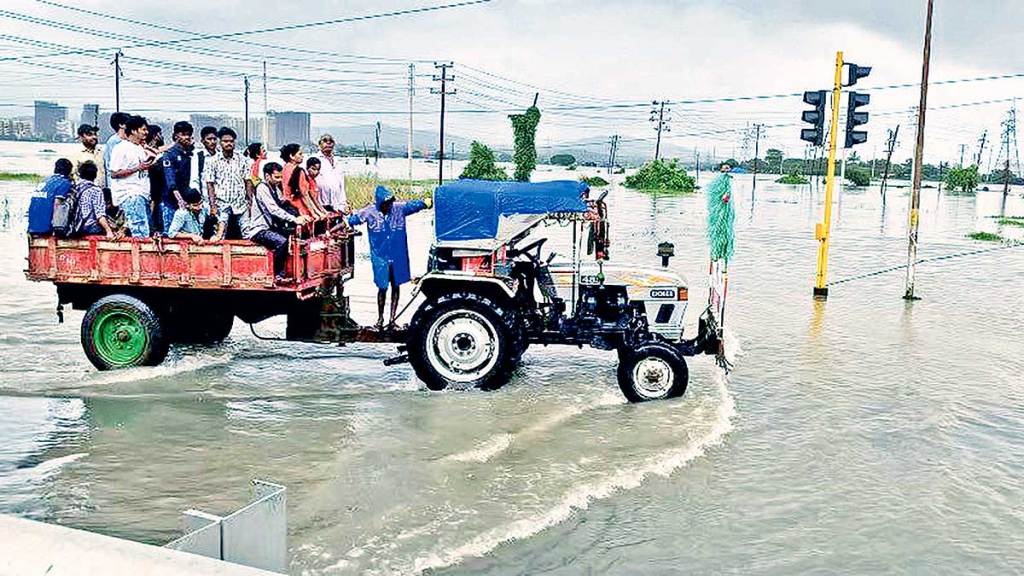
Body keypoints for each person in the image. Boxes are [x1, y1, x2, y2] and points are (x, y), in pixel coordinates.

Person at [347, 186, 431, 329]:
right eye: (386, 203)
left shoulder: (399, 209)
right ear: (380, 203)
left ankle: (392, 319)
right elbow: (353, 220)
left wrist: (427, 203)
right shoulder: (369, 212)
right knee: (382, 287)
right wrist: (347, 217)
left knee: (396, 286)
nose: (389, 206)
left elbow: (413, 205)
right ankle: (380, 319)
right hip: (380, 257)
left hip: (397, 255)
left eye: (391, 202)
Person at [243, 162, 311, 280]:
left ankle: (294, 271)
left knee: (295, 237)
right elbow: (274, 209)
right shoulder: (262, 188)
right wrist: (294, 219)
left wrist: (301, 214)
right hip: (259, 229)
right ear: (267, 176)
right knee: (282, 242)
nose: (279, 180)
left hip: (270, 227)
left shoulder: (274, 188)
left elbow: (283, 202)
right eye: (277, 177)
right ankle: (276, 274)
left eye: (281, 177)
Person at [108, 115, 155, 237]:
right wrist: (137, 168)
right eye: (143, 129)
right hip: (131, 194)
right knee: (139, 231)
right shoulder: (121, 147)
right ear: (134, 131)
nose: (146, 132)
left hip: (143, 194)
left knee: (145, 229)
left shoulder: (140, 148)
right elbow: (114, 173)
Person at [204, 127, 252, 240]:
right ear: (220, 142)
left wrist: (250, 202)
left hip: (241, 202)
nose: (229, 144)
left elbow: (248, 181)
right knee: (220, 234)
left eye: (231, 141)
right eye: (225, 141)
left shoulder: (243, 160)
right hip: (222, 203)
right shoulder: (212, 161)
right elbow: (210, 184)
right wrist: (212, 205)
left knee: (248, 232)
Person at [71, 161, 119, 239]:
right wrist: (109, 231)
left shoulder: (74, 187)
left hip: (74, 227)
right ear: (95, 175)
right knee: (113, 227)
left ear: (80, 174)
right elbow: (99, 214)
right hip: (88, 228)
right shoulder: (95, 190)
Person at [161, 121, 195, 234]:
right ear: (176, 135)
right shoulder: (169, 154)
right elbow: (170, 180)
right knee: (170, 234)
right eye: (184, 134)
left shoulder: (189, 154)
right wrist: (179, 200)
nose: (187, 137)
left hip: (186, 202)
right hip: (170, 202)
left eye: (189, 134)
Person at [26, 159, 74, 235]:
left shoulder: (45, 180)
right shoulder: (64, 183)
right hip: (46, 228)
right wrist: (59, 230)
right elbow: (57, 204)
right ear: (69, 171)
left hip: (32, 227)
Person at [280, 144, 327, 219]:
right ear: (291, 156)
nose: (303, 156)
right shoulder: (299, 171)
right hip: (299, 206)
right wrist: (315, 212)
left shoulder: (284, 169)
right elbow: (304, 194)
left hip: (287, 206)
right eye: (300, 154)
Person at [311, 133, 347, 213]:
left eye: (331, 141)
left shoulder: (338, 161)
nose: (328, 143)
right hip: (320, 203)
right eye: (325, 141)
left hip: (337, 204)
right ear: (319, 144)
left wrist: (344, 203)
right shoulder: (314, 159)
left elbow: (341, 184)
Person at [146, 125, 168, 232]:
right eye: (160, 134)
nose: (162, 137)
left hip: (156, 191)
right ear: (155, 136)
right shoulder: (149, 152)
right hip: (153, 189)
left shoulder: (157, 152)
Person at [189, 125, 219, 199]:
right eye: (209, 139)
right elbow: (194, 179)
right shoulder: (198, 156)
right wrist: (197, 199)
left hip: (221, 201)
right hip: (205, 200)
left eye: (214, 139)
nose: (212, 142)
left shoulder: (220, 156)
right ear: (203, 141)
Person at [103, 112, 130, 189]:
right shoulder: (114, 141)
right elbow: (112, 167)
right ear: (121, 125)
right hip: (117, 183)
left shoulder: (129, 141)